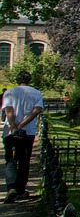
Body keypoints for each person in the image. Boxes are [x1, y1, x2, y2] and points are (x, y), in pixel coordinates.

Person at [3, 71, 43, 203]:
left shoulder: (10, 92)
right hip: (28, 131)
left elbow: (9, 110)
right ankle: (20, 189)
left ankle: (11, 187)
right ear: (29, 80)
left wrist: (13, 126)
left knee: (10, 159)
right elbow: (36, 110)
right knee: (24, 160)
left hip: (10, 131)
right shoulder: (36, 93)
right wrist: (23, 124)